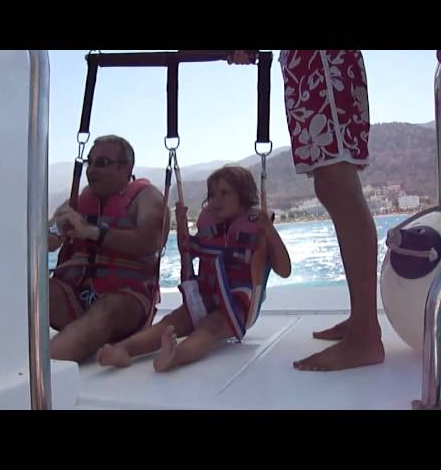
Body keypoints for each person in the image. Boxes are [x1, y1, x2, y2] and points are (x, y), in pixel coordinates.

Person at [229, 50, 385, 371]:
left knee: (336, 181)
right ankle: (361, 321)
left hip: (322, 59)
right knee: (332, 182)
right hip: (306, 62)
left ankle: (366, 335)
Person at [97, 165, 291, 372]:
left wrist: (269, 231)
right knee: (172, 321)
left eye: (224, 194)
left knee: (211, 328)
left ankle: (175, 356)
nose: (216, 201)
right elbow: (188, 251)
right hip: (206, 296)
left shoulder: (258, 230)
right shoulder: (210, 227)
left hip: (236, 306)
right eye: (212, 195)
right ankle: (123, 350)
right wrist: (182, 227)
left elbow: (284, 270)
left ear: (243, 195)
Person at [48, 135, 168, 363]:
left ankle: (36, 375)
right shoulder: (80, 200)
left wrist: (92, 232)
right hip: (75, 297)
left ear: (127, 167)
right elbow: (47, 237)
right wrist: (52, 232)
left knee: (107, 309)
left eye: (102, 163)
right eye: (89, 162)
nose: (91, 170)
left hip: (126, 304)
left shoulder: (147, 198)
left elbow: (151, 242)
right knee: (33, 291)